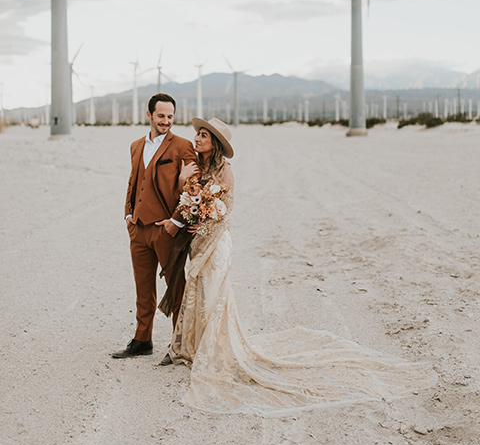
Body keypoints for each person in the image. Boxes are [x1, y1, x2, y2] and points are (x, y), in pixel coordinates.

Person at [159, 117, 436, 416]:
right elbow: (187, 200)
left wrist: (204, 215)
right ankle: (197, 347)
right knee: (199, 293)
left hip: (216, 242)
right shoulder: (195, 169)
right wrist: (185, 189)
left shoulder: (226, 171)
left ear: (214, 142)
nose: (197, 139)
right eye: (197, 134)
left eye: (203, 135)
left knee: (215, 296)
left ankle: (216, 352)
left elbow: (226, 210)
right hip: (198, 242)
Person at [112, 93, 197, 359]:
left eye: (170, 116)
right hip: (138, 228)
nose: (166, 121)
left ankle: (179, 344)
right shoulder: (136, 145)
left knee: (175, 287)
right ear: (149, 115)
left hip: (166, 229)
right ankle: (142, 340)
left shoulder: (182, 146)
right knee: (143, 286)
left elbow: (194, 190)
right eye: (161, 116)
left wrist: (175, 221)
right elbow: (133, 181)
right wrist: (128, 215)